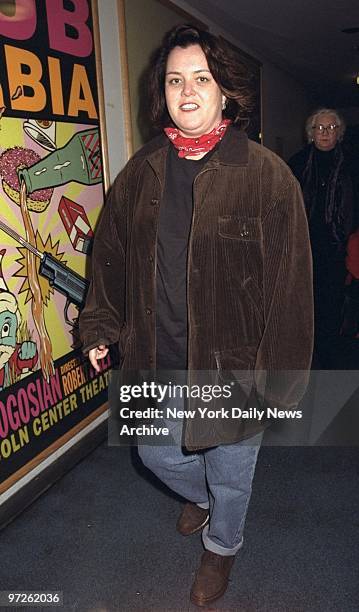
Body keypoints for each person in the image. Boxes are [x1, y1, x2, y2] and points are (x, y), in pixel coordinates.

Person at [79, 25, 313, 608]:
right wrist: (103, 326)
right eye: (175, 79)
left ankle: (222, 547)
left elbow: (291, 286)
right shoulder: (144, 170)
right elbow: (108, 255)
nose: (187, 92)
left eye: (201, 79)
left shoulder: (265, 175)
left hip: (233, 364)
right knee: (154, 452)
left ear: (225, 92)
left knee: (232, 472)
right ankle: (204, 499)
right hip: (156, 354)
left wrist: (281, 380)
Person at [288, 108, 357, 368]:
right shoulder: (297, 162)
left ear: (339, 133)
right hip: (304, 246)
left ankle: (328, 355)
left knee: (332, 302)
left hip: (338, 248)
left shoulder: (351, 162)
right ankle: (306, 352)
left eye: (330, 128)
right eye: (319, 128)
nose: (325, 133)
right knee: (305, 301)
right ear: (310, 133)